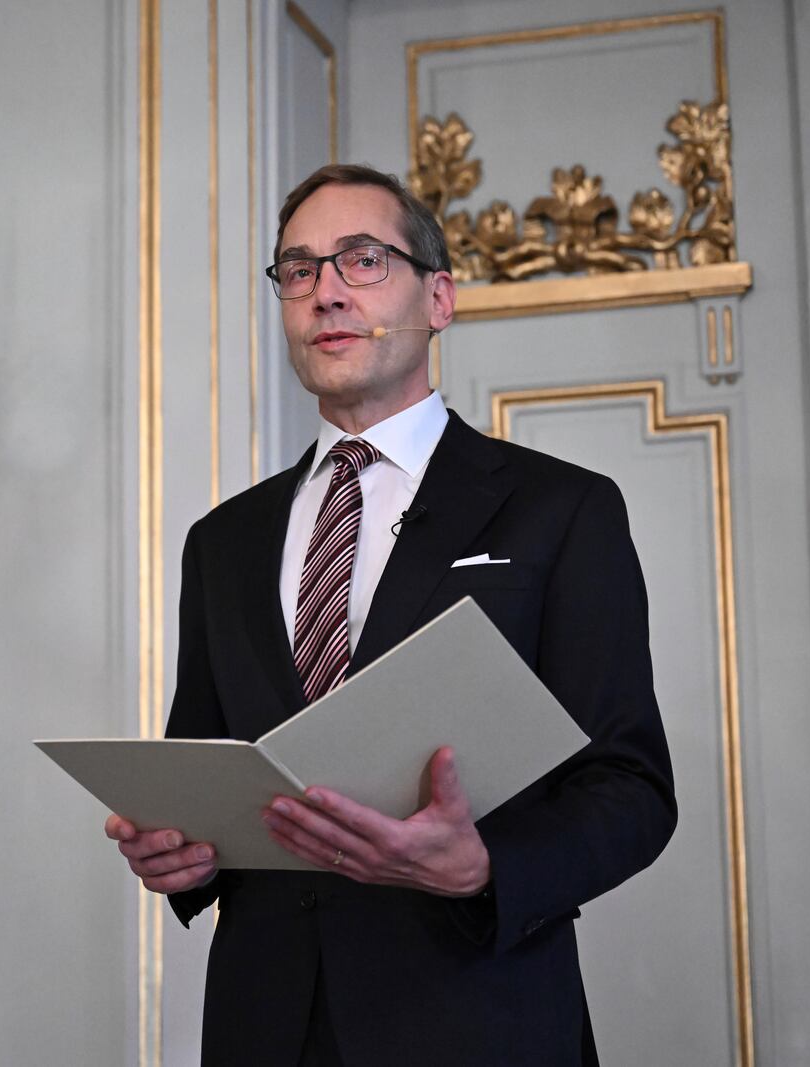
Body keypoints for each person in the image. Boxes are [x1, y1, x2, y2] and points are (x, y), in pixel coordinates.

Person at [104, 163, 676, 1065]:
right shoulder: (223, 540)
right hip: (266, 1027)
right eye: (298, 269)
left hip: (476, 1019)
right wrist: (180, 849)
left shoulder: (561, 510)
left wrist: (488, 865)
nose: (325, 291)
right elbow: (213, 766)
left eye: (361, 260)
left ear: (439, 297)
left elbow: (633, 791)